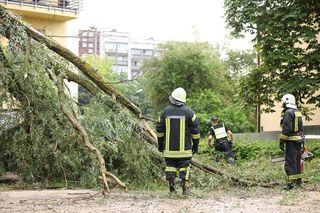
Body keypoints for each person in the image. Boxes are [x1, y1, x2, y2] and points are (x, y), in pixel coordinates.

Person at [156, 87, 200, 195]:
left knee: (170, 167)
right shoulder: (190, 113)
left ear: (172, 98)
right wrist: (196, 145)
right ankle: (185, 190)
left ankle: (172, 189)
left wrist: (160, 145)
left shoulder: (164, 112)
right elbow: (196, 132)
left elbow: (159, 131)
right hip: (185, 150)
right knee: (185, 168)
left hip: (169, 151)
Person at [279, 94, 304, 190]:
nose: (282, 104)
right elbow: (300, 128)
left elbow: (287, 128)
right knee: (297, 161)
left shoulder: (288, 112)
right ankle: (298, 182)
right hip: (298, 141)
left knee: (290, 162)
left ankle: (291, 184)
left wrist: (282, 140)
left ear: (287, 101)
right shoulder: (297, 111)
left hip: (291, 141)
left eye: (283, 102)